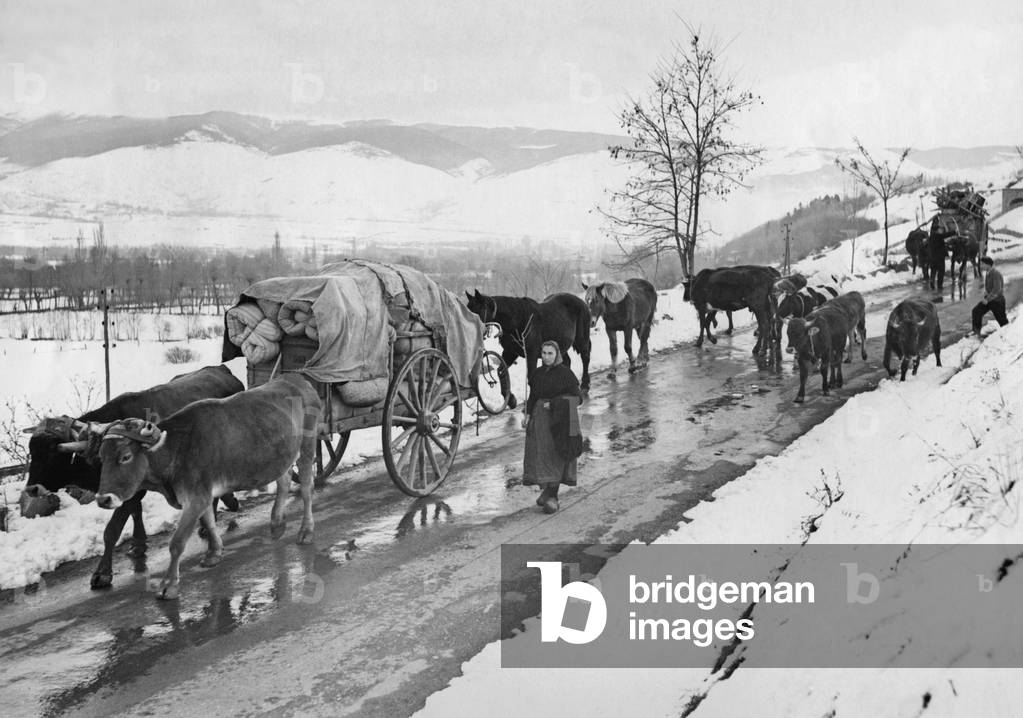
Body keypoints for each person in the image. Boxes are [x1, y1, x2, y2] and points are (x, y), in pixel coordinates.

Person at [521, 340, 581, 514]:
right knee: (542, 455)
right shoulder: (537, 374)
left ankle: (553, 497)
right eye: (544, 353)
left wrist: (555, 404)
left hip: (560, 421)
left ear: (557, 355)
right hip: (540, 421)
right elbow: (532, 397)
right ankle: (547, 491)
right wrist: (527, 414)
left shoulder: (566, 374)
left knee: (556, 455)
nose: (547, 357)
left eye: (550, 353)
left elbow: (578, 399)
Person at [972, 256, 1009, 336]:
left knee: (1002, 320)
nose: (980, 265)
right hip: (989, 300)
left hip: (997, 301)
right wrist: (986, 292)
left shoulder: (996, 273)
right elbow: (990, 287)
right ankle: (976, 332)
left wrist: (987, 299)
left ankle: (1008, 334)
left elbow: (997, 289)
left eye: (982, 264)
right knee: (976, 311)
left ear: (988, 264)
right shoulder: (988, 272)